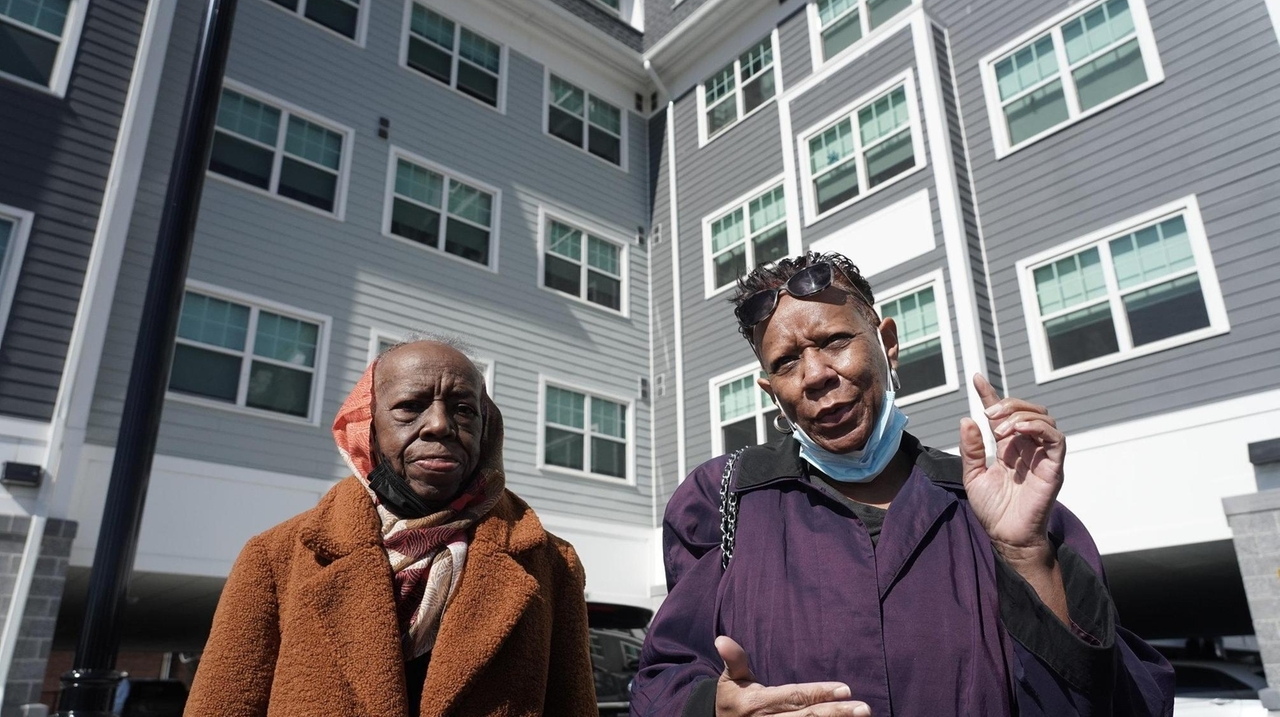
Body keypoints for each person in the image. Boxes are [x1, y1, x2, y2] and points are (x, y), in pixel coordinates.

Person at [630, 252, 1175, 716]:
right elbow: (660, 683)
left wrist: (1025, 553)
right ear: (771, 389)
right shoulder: (725, 499)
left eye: (836, 340)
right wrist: (713, 708)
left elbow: (1123, 699)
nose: (816, 374)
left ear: (886, 343)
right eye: (788, 361)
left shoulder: (999, 503)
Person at [185, 338, 597, 717]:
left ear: (486, 428)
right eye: (409, 406)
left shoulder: (551, 563)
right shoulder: (275, 557)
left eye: (464, 409)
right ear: (368, 426)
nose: (440, 424)